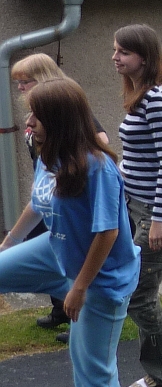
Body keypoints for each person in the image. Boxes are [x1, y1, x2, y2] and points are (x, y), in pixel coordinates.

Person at [0, 79, 140, 387]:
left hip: (100, 277)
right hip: (58, 250)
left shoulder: (99, 168)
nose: (28, 122)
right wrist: (9, 242)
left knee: (91, 370)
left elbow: (107, 233)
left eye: (36, 116)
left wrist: (77, 290)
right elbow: (38, 203)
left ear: (59, 119)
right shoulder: (49, 154)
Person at [10, 53, 110, 340]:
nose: (20, 88)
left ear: (42, 78)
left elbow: (100, 142)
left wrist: (69, 169)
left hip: (65, 198)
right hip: (46, 194)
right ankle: (61, 309)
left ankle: (78, 316)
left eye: (25, 81)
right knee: (46, 247)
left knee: (69, 259)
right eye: (17, 83)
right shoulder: (37, 114)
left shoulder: (65, 110)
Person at [113, 24, 162, 387]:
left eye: (123, 52)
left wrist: (157, 220)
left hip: (155, 213)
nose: (115, 57)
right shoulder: (140, 96)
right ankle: (160, 374)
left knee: (140, 295)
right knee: (136, 291)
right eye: (115, 50)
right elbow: (137, 158)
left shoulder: (156, 99)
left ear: (144, 57)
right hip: (136, 207)